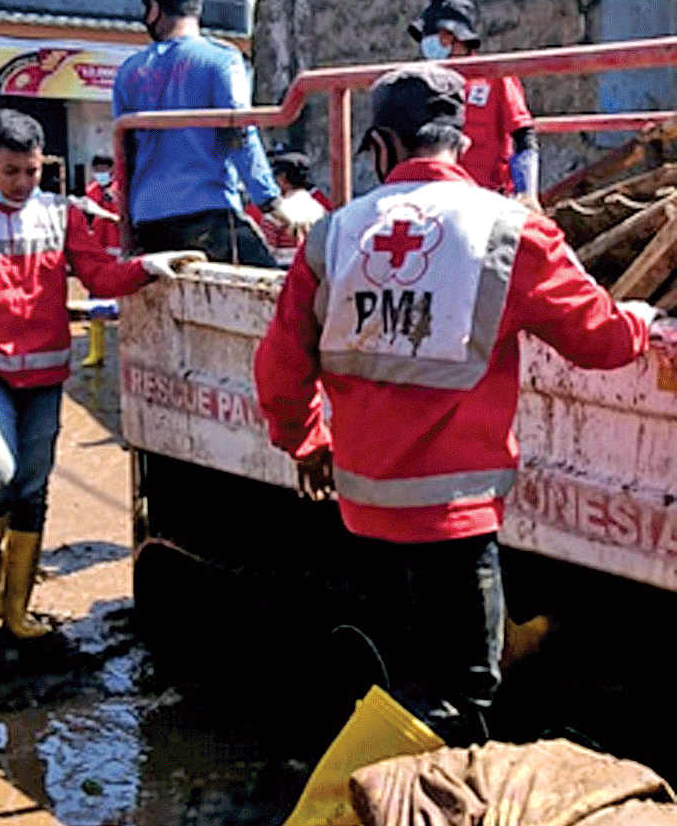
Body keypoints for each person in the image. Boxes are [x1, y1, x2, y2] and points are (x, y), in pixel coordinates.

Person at [252, 63, 656, 745]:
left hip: (364, 509)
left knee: (399, 677)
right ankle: (344, 807)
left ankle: (369, 792)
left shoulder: (333, 235)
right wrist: (641, 321)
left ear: (380, 147)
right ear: (460, 145)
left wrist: (306, 441)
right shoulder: (508, 232)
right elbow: (600, 340)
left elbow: (280, 367)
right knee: (462, 697)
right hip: (453, 524)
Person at [0, 109, 203, 638]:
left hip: (44, 373)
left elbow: (98, 275)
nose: (23, 183)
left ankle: (17, 610)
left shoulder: (61, 215)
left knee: (32, 489)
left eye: (32, 172)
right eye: (11, 171)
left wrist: (148, 267)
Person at [114, 0, 318, 263]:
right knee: (276, 294)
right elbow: (239, 134)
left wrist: (128, 235)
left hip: (149, 226)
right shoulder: (221, 60)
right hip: (207, 218)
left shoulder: (128, 73)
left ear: (154, 9)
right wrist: (271, 202)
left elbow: (124, 158)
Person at [410, 0, 540, 209]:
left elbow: (523, 135)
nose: (430, 44)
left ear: (458, 38)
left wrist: (527, 194)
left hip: (489, 201)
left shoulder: (495, 78)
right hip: (438, 202)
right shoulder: (423, 83)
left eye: (441, 36)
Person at [244, 150, 333, 265]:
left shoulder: (276, 214)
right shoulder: (320, 209)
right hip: (313, 270)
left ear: (282, 178)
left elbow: (266, 253)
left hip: (284, 272)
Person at [78, 154, 123, 368]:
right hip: (100, 251)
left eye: (105, 168)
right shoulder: (92, 191)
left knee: (126, 305)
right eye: (98, 168)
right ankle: (96, 353)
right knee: (96, 303)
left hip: (121, 250)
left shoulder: (122, 189)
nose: (101, 172)